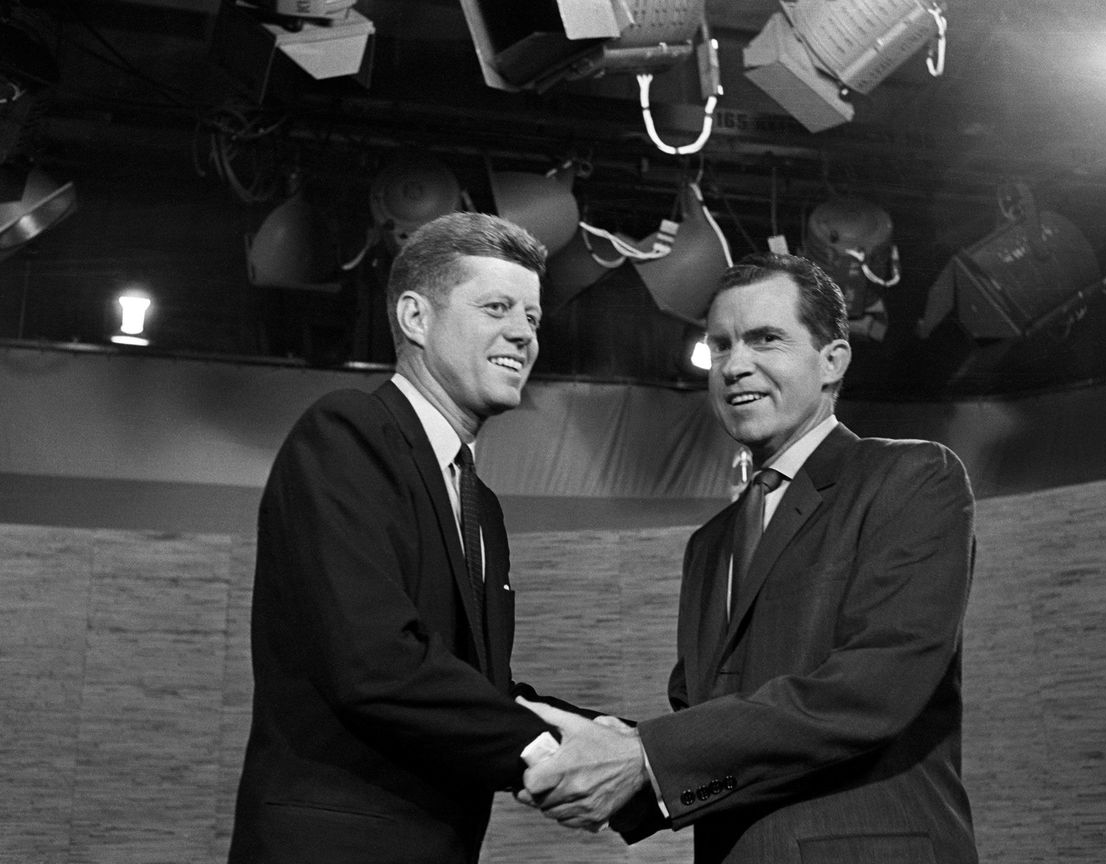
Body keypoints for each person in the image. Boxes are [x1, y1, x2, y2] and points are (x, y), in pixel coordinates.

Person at [519, 252, 978, 864]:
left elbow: (873, 689)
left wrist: (645, 757)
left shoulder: (912, 476)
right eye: (721, 345)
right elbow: (715, 735)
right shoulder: (709, 545)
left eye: (766, 339)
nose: (735, 365)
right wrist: (584, 755)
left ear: (833, 361)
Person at [228, 212, 561, 864]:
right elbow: (374, 662)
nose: (522, 333)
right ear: (415, 317)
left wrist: (631, 751)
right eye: (497, 306)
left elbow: (476, 687)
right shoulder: (347, 433)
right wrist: (543, 749)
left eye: (533, 318)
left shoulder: (480, 504)